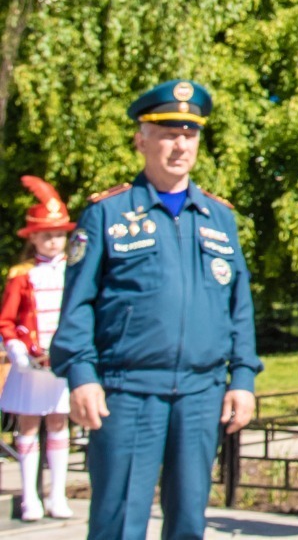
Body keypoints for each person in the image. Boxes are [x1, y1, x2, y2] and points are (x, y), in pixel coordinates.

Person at [50, 80, 260, 540]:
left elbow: (239, 307)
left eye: (190, 133)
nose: (180, 144)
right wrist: (82, 377)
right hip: (127, 391)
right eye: (167, 133)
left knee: (188, 522)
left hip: (201, 393)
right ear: (141, 139)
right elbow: (78, 306)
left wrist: (242, 380)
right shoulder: (108, 214)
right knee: (118, 521)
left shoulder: (218, 218)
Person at [1, 177, 76, 519]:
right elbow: (6, 319)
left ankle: (56, 495)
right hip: (30, 364)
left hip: (60, 362)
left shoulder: (73, 272)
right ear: (32, 237)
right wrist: (17, 350)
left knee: (60, 424)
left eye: (58, 234)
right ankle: (30, 496)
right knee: (28, 425)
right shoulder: (22, 274)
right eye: (46, 234)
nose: (52, 240)